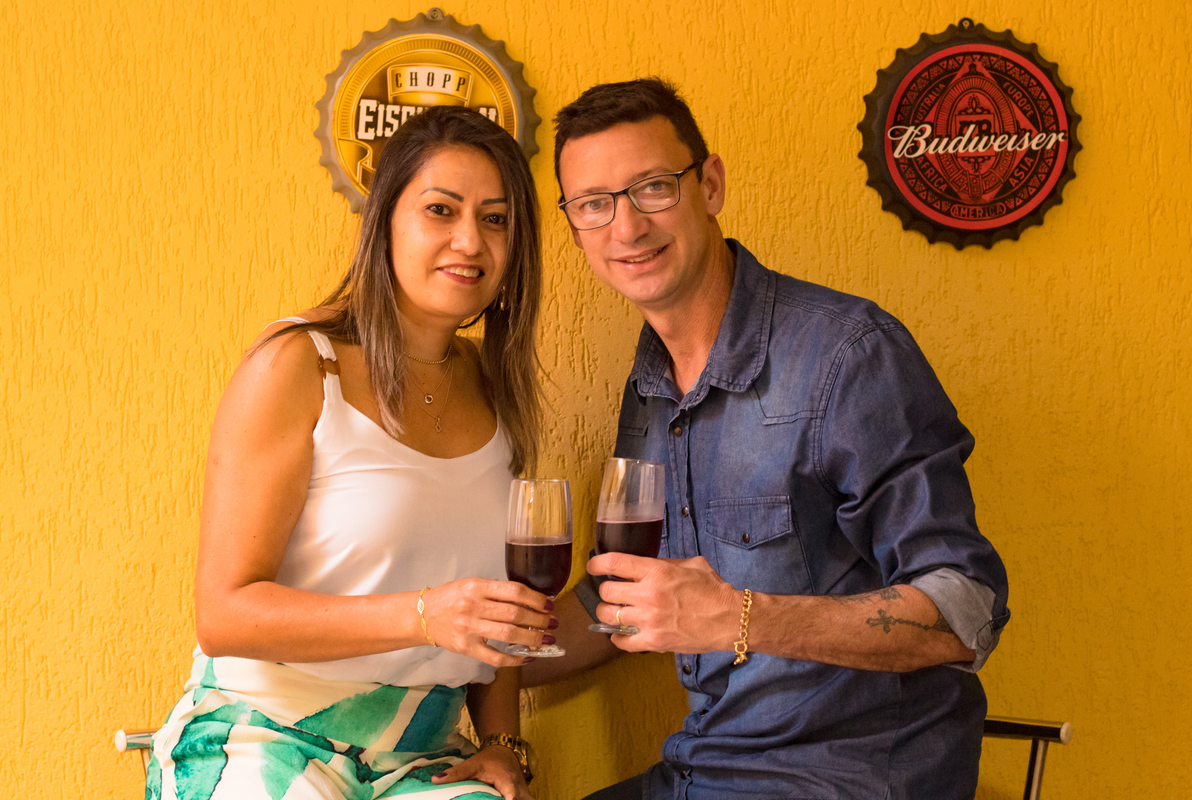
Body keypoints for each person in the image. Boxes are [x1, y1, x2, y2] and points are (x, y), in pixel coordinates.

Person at [524, 78, 1011, 800]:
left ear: (710, 185)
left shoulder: (849, 355)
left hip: (853, 778)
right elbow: (622, 597)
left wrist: (740, 618)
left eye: (653, 188)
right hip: (705, 769)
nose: (626, 228)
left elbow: (967, 609)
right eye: (594, 204)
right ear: (575, 229)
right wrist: (461, 655)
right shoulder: (650, 384)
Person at [146, 106, 554, 800]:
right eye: (441, 210)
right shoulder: (299, 365)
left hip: (424, 755)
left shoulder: (496, 387)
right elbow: (223, 615)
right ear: (384, 221)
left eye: (495, 219)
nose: (470, 240)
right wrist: (423, 615)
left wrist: (500, 745)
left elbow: (497, 609)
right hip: (266, 732)